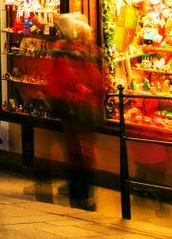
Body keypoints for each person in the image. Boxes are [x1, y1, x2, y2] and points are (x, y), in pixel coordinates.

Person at [47, 13, 104, 211]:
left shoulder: (73, 51)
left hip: (77, 104)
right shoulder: (69, 52)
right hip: (76, 104)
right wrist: (85, 91)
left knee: (77, 148)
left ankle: (79, 190)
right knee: (81, 149)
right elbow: (70, 76)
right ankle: (80, 191)